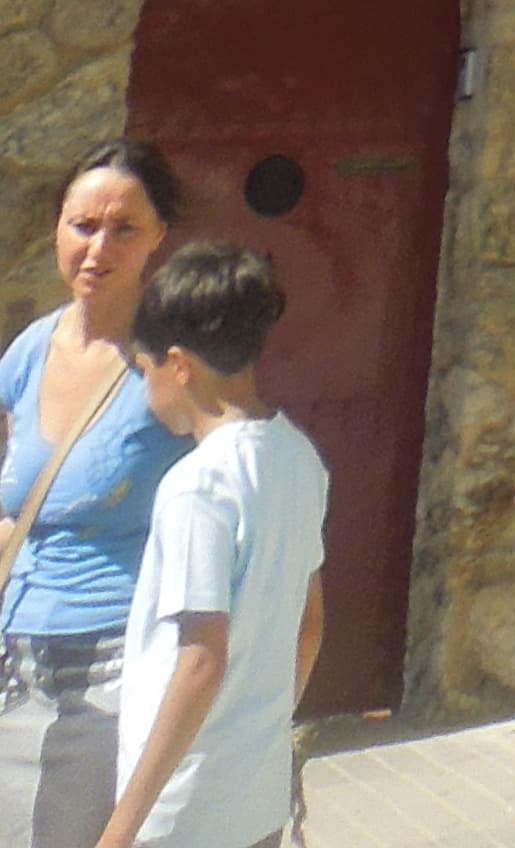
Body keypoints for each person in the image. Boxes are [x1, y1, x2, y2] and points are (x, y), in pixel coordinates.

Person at [90, 245, 324, 848]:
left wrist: (118, 833)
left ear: (178, 364)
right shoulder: (298, 458)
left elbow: (201, 659)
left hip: (184, 815)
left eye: (145, 373)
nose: (147, 392)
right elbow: (310, 626)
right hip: (256, 801)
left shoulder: (196, 486)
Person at [0, 144, 190, 848]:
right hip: (15, 672)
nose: (98, 247)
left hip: (112, 676)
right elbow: (13, 506)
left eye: (124, 230)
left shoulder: (170, 367)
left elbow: (236, 496)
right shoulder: (28, 351)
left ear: (159, 239)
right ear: (56, 230)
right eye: (83, 225)